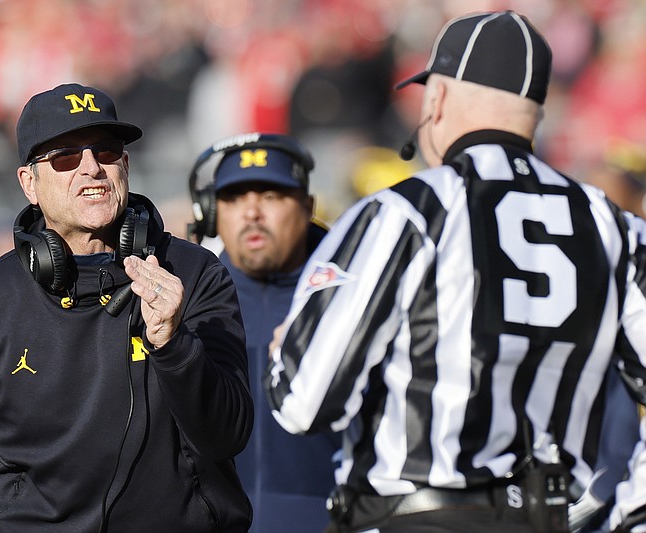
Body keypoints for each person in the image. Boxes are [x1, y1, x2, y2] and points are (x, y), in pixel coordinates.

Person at [264, 10, 646, 533]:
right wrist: (630, 514)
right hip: (553, 520)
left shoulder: (408, 212)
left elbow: (304, 402)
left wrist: (287, 350)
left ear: (437, 98)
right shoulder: (614, 226)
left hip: (414, 516)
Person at [0, 83, 253, 532]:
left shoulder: (191, 275)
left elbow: (227, 434)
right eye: (65, 158)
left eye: (107, 152)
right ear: (29, 183)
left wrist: (174, 344)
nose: (91, 168)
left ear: (126, 166)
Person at [187, 133, 339, 532]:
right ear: (211, 212)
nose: (252, 212)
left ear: (307, 206)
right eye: (234, 198)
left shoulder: (356, 299)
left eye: (271, 195)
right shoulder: (183, 300)